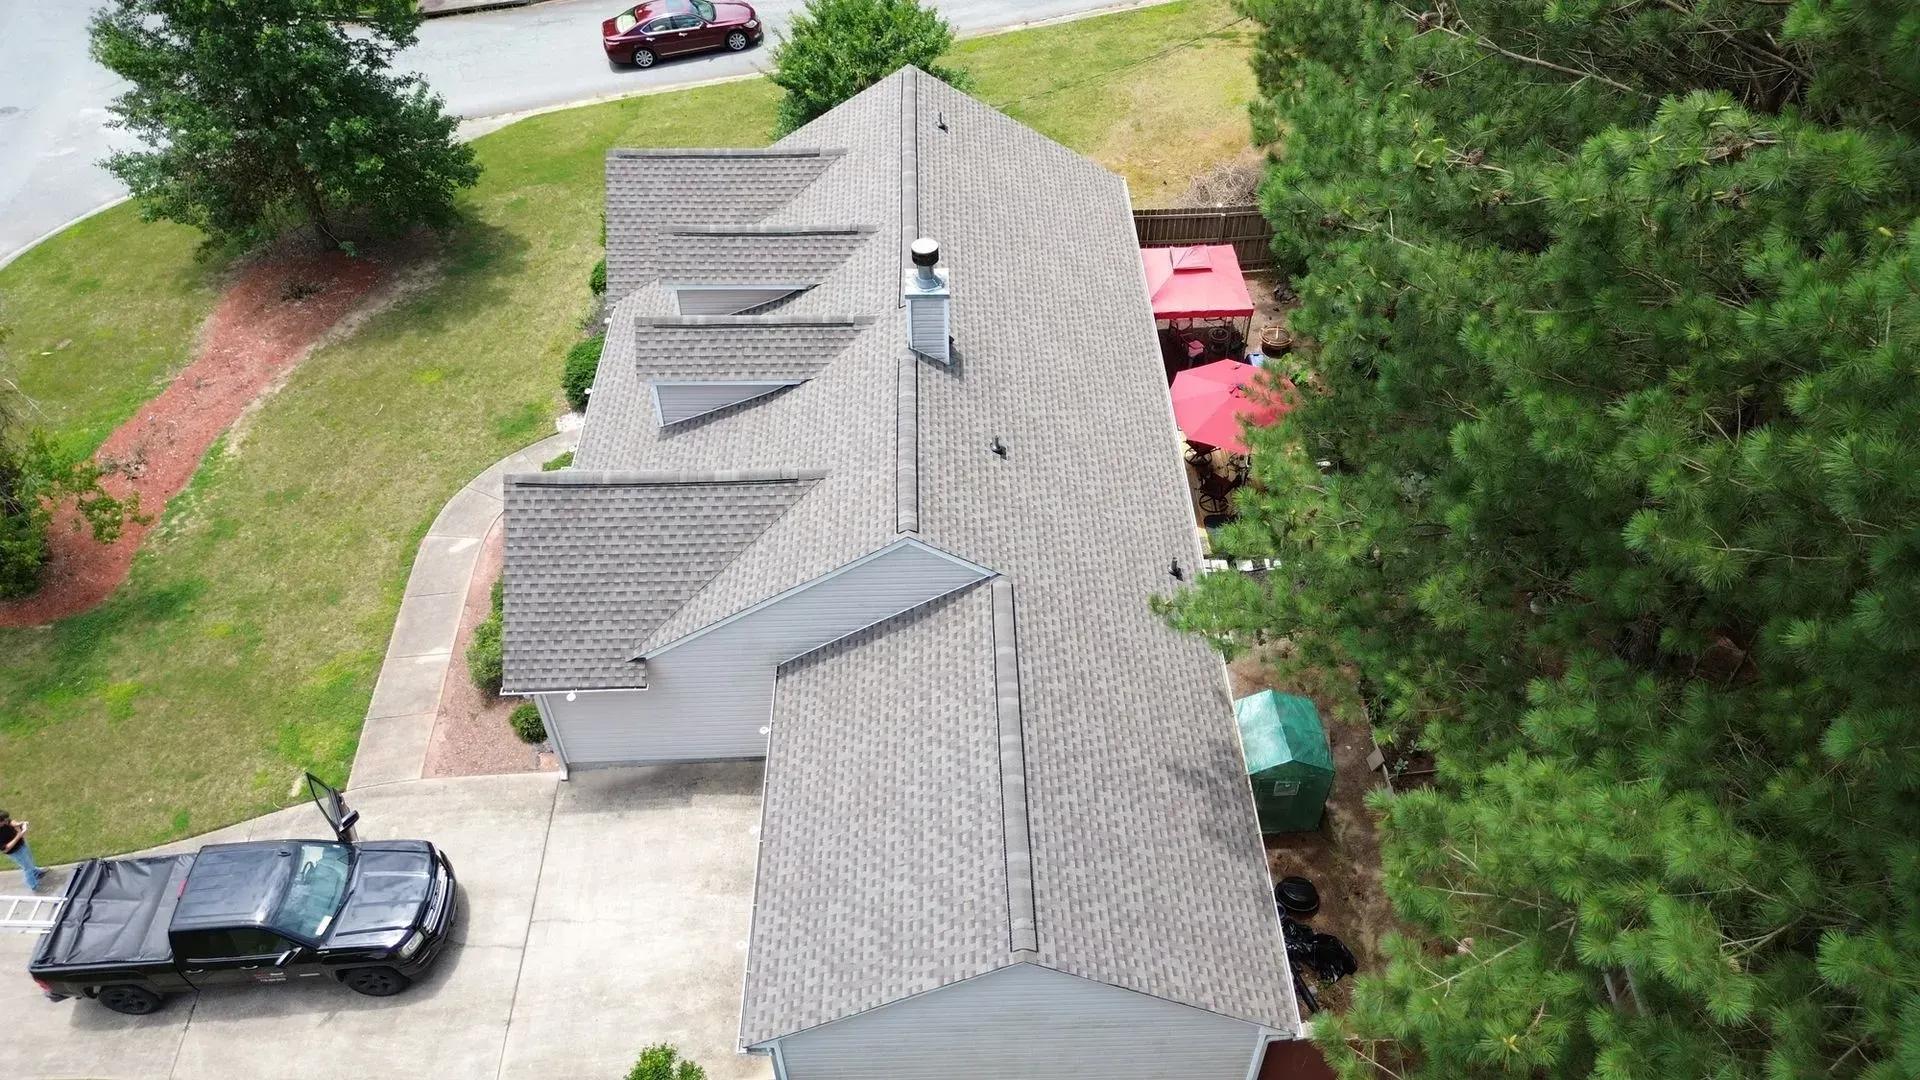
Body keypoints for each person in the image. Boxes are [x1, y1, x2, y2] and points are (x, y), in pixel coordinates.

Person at [0, 810, 42, 892]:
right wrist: (19, 836)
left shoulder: (3, 821)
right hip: (15, 852)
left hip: (22, 844)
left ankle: (35, 872)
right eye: (4, 821)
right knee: (27, 868)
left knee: (30, 859)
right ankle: (34, 885)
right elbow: (5, 848)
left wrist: (20, 823)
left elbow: (11, 822)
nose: (6, 822)